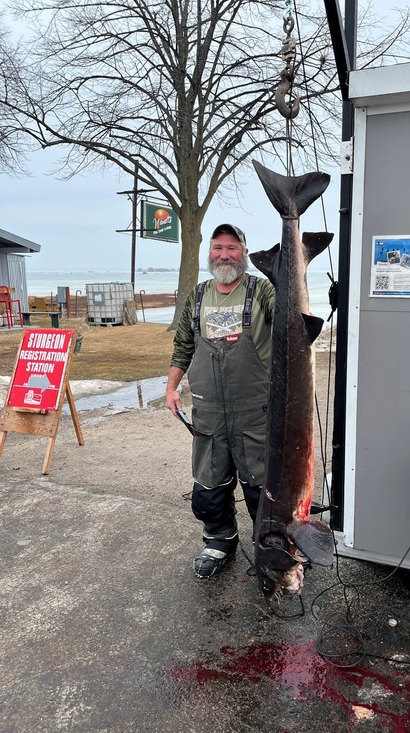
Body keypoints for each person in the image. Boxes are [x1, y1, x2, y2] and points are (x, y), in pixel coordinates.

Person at [166, 224, 275, 578]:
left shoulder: (262, 290)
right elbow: (183, 345)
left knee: (263, 489)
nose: (224, 254)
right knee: (209, 488)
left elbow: (290, 318)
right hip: (208, 410)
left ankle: (273, 548)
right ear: (209, 252)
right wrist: (171, 388)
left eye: (232, 247)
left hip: (255, 410)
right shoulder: (198, 296)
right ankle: (219, 541)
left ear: (244, 251)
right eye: (218, 248)